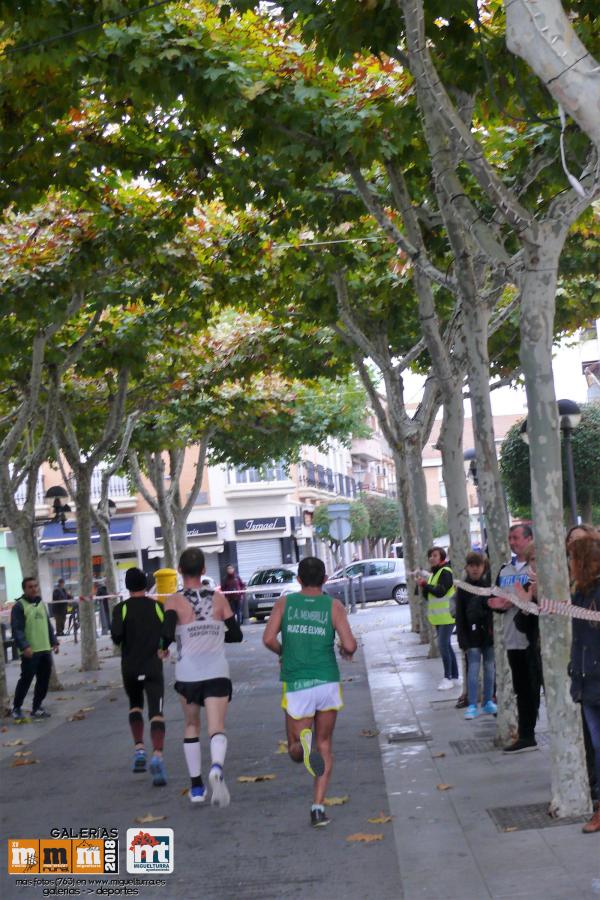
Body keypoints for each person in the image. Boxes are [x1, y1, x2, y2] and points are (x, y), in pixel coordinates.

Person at [263, 556, 357, 828]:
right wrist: (342, 649)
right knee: (325, 744)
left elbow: (268, 639)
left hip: (296, 684)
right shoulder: (334, 606)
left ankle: (301, 748)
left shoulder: (284, 603)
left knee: (293, 747)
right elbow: (349, 645)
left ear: (299, 579)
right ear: (325, 579)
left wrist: (284, 652)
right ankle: (318, 807)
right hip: (326, 681)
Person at [161, 547, 242, 806]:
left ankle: (196, 787)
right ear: (204, 571)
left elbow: (165, 634)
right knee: (216, 726)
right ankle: (216, 767)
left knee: (192, 725)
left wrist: (164, 647)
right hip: (217, 671)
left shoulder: (173, 600)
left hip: (188, 674)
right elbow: (237, 634)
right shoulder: (219, 599)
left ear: (180, 571)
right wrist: (216, 633)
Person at [110, 567, 168, 787]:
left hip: (130, 668)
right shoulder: (157, 607)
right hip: (153, 667)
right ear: (146, 584)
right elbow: (167, 633)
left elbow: (116, 637)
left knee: (135, 706)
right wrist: (162, 647)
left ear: (126, 586)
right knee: (156, 712)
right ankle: (158, 756)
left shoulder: (120, 609)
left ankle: (139, 750)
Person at [489, 523, 541, 754]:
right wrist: (497, 605)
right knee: (522, 688)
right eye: (510, 538)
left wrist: (521, 601)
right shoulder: (505, 570)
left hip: (536, 639)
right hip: (512, 637)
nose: (512, 542)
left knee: (536, 686)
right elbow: (496, 597)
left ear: (529, 539)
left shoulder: (537, 569)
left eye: (516, 537)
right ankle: (526, 734)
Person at [567, 534, 600, 833]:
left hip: (595, 679)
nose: (570, 565)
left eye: (573, 558)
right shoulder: (579, 592)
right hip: (586, 681)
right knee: (597, 745)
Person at [454, 551, 496, 720]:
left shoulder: (489, 586)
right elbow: (459, 614)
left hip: (488, 635)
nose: (475, 569)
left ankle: (487, 701)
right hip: (471, 636)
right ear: (467, 567)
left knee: (489, 668)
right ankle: (472, 704)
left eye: (478, 565)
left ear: (483, 567)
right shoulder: (463, 588)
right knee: (473, 669)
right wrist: (462, 638)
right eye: (471, 566)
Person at [11, 577, 59, 720]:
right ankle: (17, 708)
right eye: (30, 587)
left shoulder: (41, 604)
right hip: (30, 652)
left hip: (44, 649)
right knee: (26, 680)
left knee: (43, 680)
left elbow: (48, 625)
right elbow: (17, 629)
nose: (33, 589)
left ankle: (37, 707)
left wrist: (54, 641)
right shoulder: (19, 606)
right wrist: (24, 646)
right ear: (24, 589)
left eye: (35, 586)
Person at [417, 547, 459, 691]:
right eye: (430, 555)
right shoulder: (435, 574)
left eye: (435, 555)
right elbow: (428, 595)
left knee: (442, 645)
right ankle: (455, 676)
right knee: (446, 645)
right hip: (439, 617)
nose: (431, 558)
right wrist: (423, 586)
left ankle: (447, 678)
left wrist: (425, 585)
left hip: (448, 615)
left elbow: (440, 592)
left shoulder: (446, 572)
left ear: (442, 557)